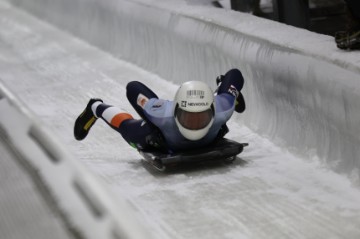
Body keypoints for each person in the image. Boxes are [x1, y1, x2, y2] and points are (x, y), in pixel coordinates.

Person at [74, 68, 246, 153]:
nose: (194, 124)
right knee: (128, 127)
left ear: (212, 114)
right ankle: (95, 107)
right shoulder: (161, 115)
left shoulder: (222, 109)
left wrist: (230, 88)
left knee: (225, 94)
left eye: (201, 118)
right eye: (188, 118)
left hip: (211, 104)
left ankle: (219, 86)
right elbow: (132, 87)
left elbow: (235, 75)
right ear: (176, 113)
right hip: (161, 130)